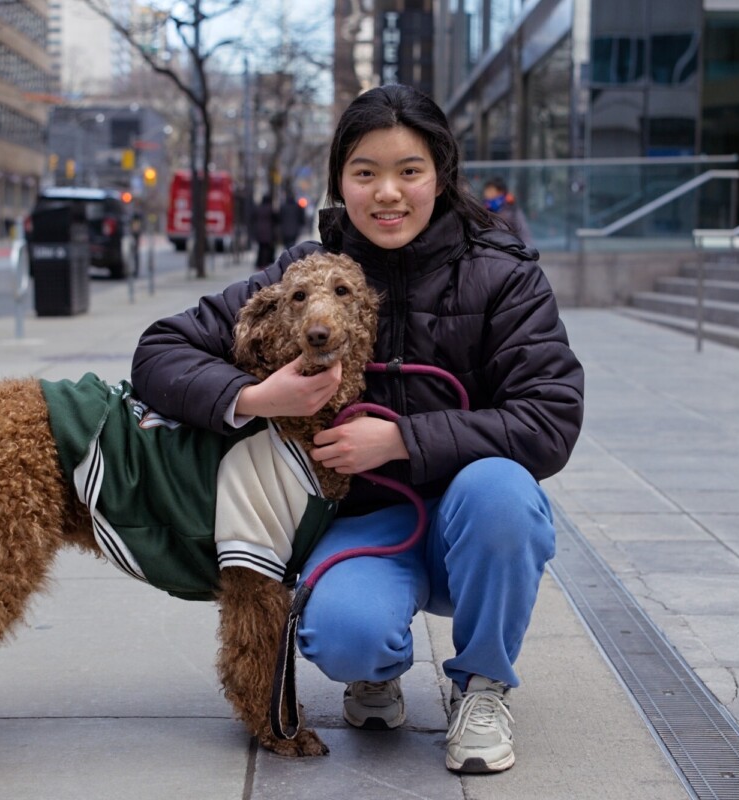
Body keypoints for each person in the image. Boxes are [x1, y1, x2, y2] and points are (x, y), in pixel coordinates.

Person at [132, 84, 584, 774]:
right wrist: (256, 396)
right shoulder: (304, 274)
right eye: (365, 172)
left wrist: (401, 438)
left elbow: (549, 416)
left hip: (470, 520)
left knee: (503, 493)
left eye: (410, 171)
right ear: (341, 181)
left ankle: (483, 684)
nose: (387, 193)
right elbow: (159, 351)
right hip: (366, 521)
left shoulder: (503, 275)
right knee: (345, 636)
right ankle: (376, 671)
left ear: (441, 176)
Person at [482, 176, 533, 246]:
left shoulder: (512, 209)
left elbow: (523, 232)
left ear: (500, 191)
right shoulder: (483, 209)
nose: (487, 194)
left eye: (490, 190)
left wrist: (526, 248)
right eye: (486, 190)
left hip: (510, 248)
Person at [251, 192, 276, 269]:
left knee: (261, 248)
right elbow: (275, 219)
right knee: (267, 248)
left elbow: (253, 218)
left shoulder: (258, 208)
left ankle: (260, 263)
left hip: (259, 231)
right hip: (268, 232)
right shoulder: (270, 209)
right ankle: (265, 263)